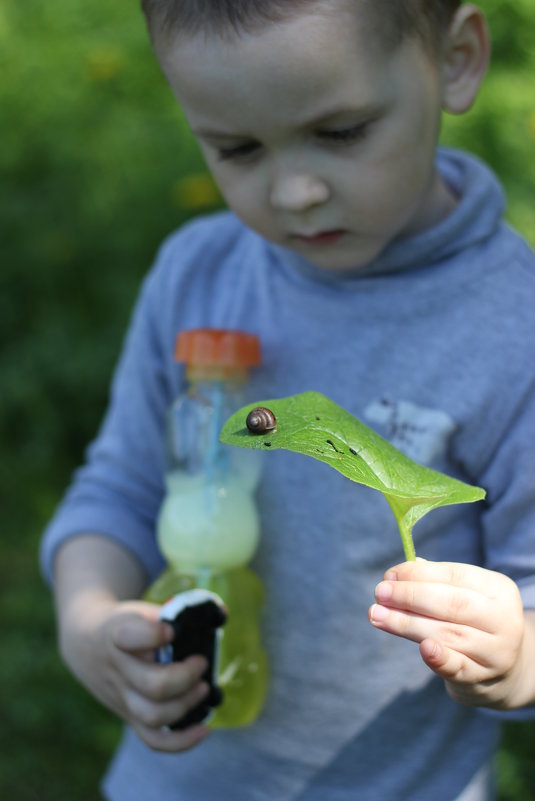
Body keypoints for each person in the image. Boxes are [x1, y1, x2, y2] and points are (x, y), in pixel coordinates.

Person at [40, 1, 535, 799]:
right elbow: (122, 486)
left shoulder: (514, 330)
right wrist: (87, 618)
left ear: (455, 59)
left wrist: (512, 658)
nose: (297, 191)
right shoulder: (197, 275)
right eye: (236, 148)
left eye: (340, 133)